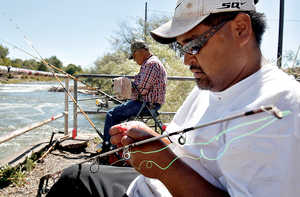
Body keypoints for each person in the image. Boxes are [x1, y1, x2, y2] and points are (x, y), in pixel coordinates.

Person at [46, 0, 300, 196]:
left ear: (241, 29)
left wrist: (165, 166)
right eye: (181, 48)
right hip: (151, 184)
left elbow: (172, 166)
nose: (187, 60)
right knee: (76, 174)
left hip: (160, 185)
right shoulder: (215, 82)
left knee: (74, 183)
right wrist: (153, 142)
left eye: (193, 44)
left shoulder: (280, 107)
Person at [101, 40, 167, 150]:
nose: (135, 60)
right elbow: (141, 86)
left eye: (134, 56)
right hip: (146, 103)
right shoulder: (149, 64)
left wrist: (124, 85)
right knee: (117, 113)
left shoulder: (151, 64)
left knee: (111, 114)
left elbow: (141, 90)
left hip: (146, 105)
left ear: (140, 51)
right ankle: (116, 145)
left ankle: (107, 149)